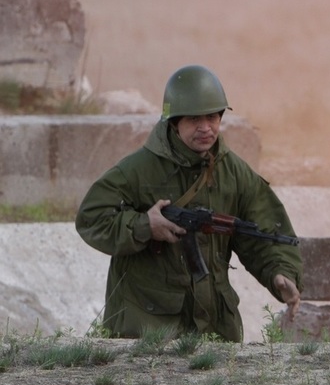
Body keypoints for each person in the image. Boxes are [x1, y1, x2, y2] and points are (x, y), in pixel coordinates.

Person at [76, 65, 302, 342]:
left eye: (212, 117)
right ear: (174, 122)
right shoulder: (138, 169)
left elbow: (262, 231)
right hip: (146, 328)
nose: (206, 128)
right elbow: (91, 218)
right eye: (195, 120)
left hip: (215, 328)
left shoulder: (234, 173)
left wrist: (280, 272)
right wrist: (145, 226)